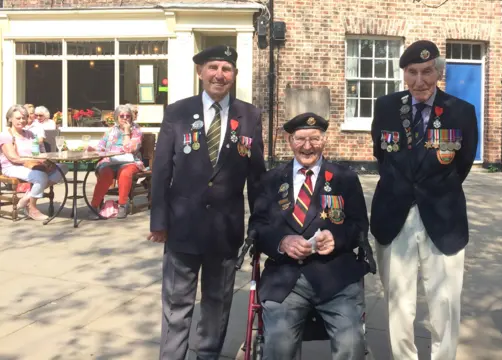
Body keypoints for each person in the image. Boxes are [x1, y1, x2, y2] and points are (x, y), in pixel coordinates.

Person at [149, 45, 266, 360]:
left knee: (217, 303)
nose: (219, 74)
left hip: (225, 230)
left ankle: (208, 355)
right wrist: (158, 222)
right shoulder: (177, 112)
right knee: (176, 303)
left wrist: (260, 226)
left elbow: (256, 176)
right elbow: (161, 170)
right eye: (213, 67)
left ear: (234, 75)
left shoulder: (250, 115)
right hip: (182, 226)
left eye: (226, 69)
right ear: (200, 72)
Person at [370, 40, 478, 360]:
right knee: (398, 303)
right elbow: (382, 156)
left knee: (444, 303)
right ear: (404, 74)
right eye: (413, 72)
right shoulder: (386, 107)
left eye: (427, 72)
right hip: (394, 214)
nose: (420, 81)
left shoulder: (461, 111)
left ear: (438, 73)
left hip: (442, 216)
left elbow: (463, 163)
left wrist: (434, 189)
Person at [249, 113, 370, 360]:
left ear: (324, 141)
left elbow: (359, 225)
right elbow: (257, 227)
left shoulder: (344, 178)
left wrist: (336, 238)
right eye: (301, 139)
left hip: (336, 278)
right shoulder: (271, 180)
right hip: (286, 279)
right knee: (279, 345)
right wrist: (282, 242)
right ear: (289, 141)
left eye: (314, 139)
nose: (307, 146)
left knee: (351, 343)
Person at [0, 105, 67, 220]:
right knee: (40, 176)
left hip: (30, 165)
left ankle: (27, 198)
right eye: (18, 118)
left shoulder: (30, 134)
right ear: (10, 119)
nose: (22, 120)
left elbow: (38, 152)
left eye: (24, 118)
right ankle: (32, 208)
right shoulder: (6, 135)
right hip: (12, 166)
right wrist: (34, 162)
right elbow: (13, 158)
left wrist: (45, 161)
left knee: (62, 167)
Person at [89, 104, 143, 220]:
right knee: (105, 173)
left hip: (129, 161)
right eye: (121, 116)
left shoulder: (136, 131)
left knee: (125, 173)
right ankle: (94, 206)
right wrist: (93, 149)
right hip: (110, 161)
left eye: (127, 116)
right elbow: (101, 147)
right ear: (116, 118)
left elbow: (130, 149)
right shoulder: (110, 131)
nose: (125, 118)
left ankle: (122, 204)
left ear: (131, 118)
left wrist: (126, 131)